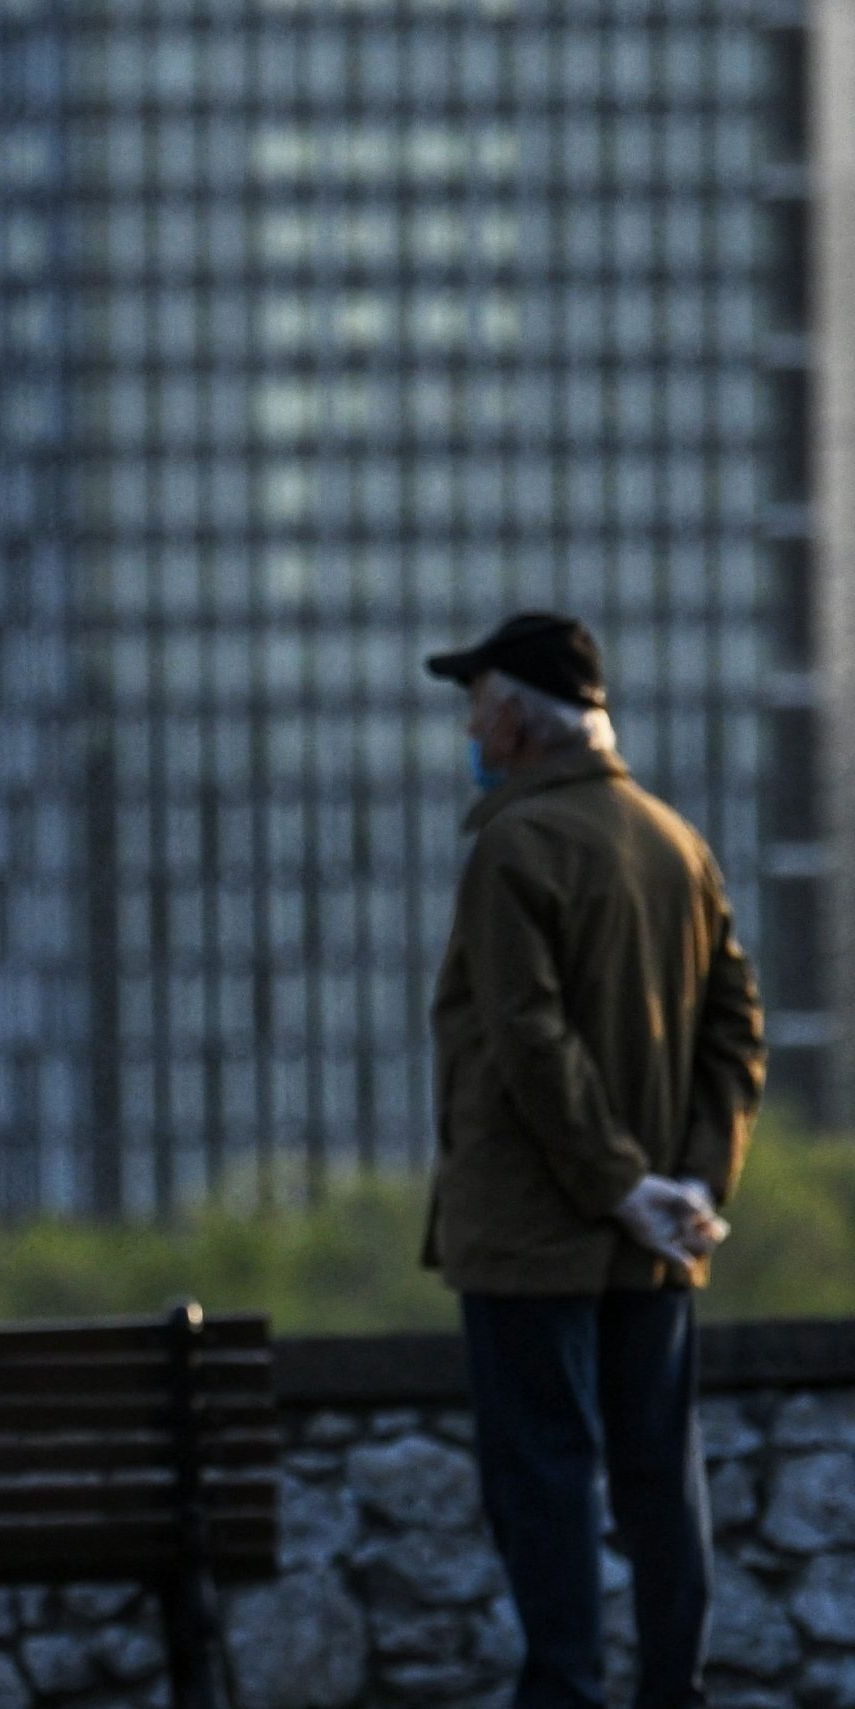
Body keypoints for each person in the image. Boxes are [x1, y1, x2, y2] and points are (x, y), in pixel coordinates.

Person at [422, 612, 765, 1709]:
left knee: (544, 1475)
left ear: (518, 721)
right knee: (660, 1472)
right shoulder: (678, 844)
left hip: (534, 1234)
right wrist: (690, 1186)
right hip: (655, 1240)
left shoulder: (513, 848)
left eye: (477, 706)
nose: (470, 731)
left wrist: (618, 1185)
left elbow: (529, 1038)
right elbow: (736, 1033)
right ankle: (675, 1688)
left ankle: (563, 1693)